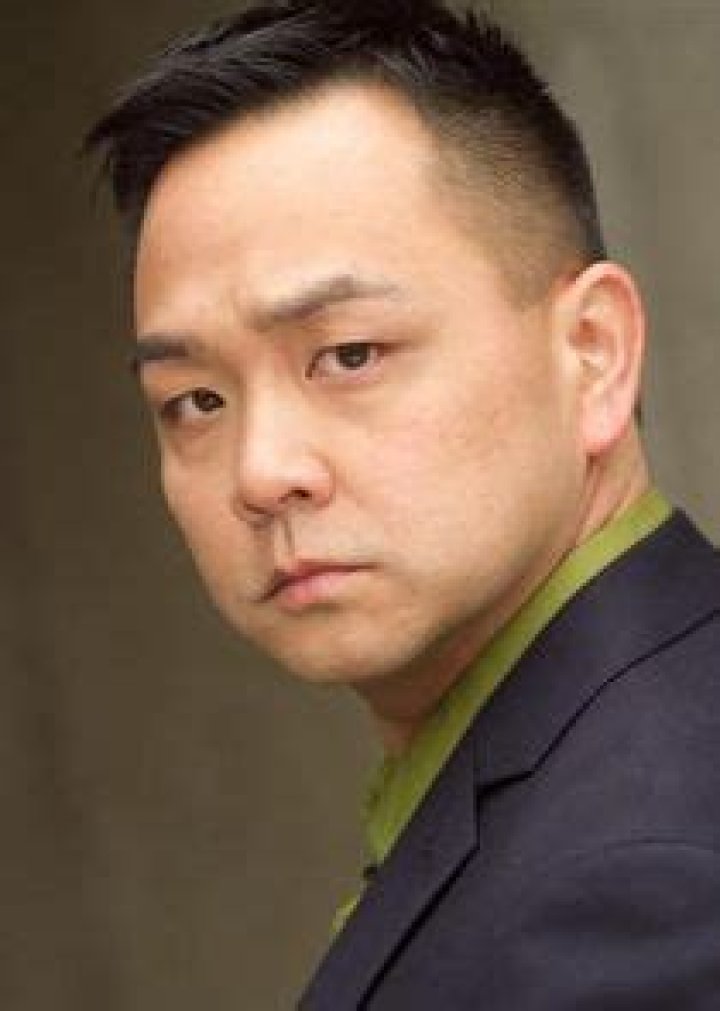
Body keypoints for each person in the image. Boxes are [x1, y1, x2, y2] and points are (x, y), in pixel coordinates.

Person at [85, 1, 720, 1006]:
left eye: (349, 355)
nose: (262, 472)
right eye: (196, 401)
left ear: (593, 353)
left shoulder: (643, 879)